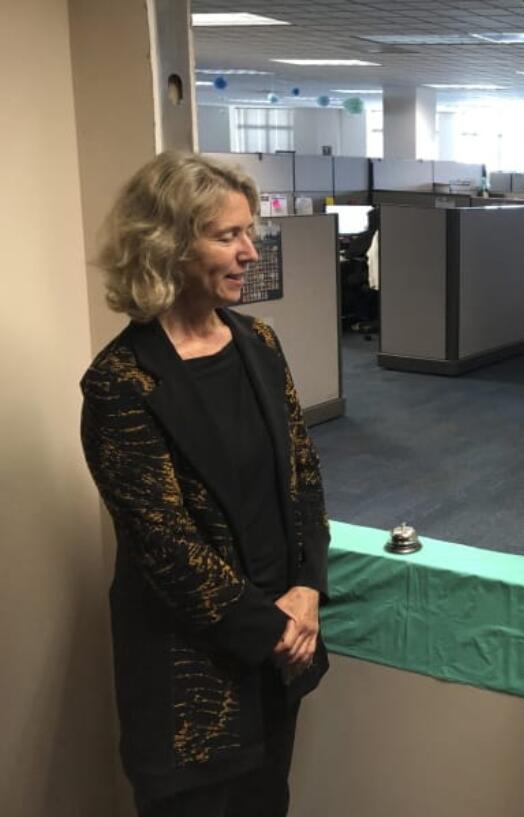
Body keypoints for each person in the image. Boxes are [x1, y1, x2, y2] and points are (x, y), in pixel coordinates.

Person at [80, 152, 330, 817]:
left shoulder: (259, 342)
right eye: (228, 235)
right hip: (190, 680)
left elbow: (302, 477)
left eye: (251, 232)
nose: (252, 251)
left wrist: (307, 588)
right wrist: (275, 625)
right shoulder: (122, 381)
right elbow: (167, 545)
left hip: (278, 659)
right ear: (167, 246)